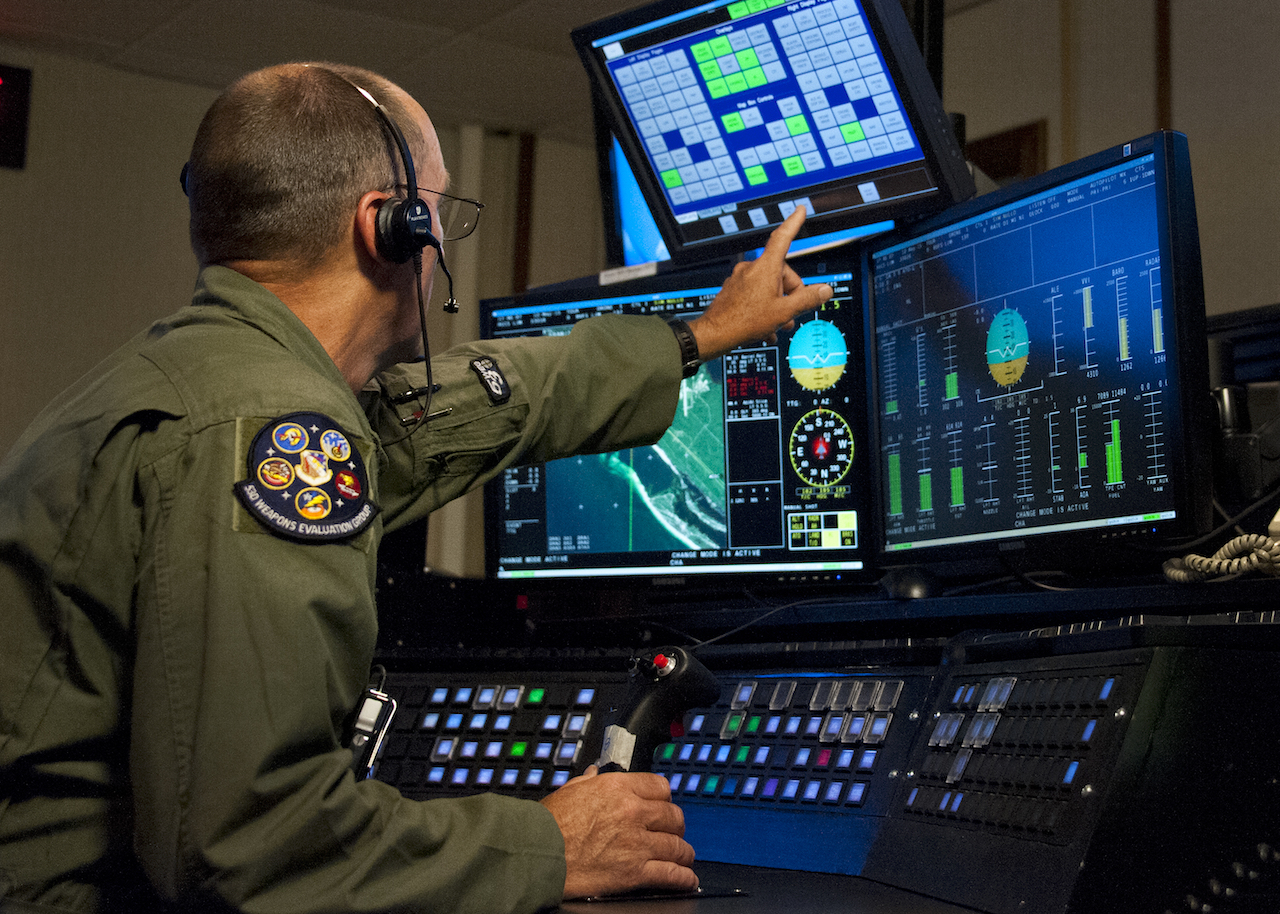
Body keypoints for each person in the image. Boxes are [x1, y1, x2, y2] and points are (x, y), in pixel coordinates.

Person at [0, 62, 832, 914]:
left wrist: (698, 336)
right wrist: (552, 843)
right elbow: (254, 849)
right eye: (437, 211)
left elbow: (471, 406)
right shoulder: (264, 425)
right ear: (389, 227)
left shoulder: (195, 381)